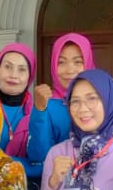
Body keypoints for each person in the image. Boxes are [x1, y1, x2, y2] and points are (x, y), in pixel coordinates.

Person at [38, 70, 113, 190]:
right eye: (75, 101)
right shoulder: (57, 153)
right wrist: (53, 183)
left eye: (91, 99)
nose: (82, 109)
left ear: (108, 101)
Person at [27, 33, 94, 165]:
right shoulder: (47, 104)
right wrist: (39, 111)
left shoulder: (102, 100)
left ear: (88, 62)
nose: (69, 70)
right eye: (61, 62)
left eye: (77, 62)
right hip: (60, 176)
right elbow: (38, 156)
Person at [0, 44, 39, 190]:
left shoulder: (39, 112)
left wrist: (1, 162)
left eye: (21, 69)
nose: (13, 75)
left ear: (30, 76)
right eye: (8, 67)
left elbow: (43, 165)